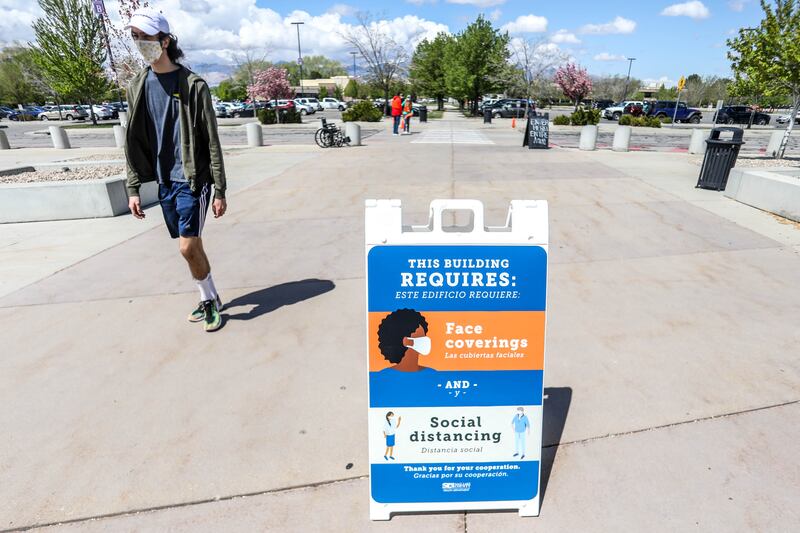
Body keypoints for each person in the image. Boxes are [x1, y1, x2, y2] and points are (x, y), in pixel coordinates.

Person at [124, 8, 227, 332]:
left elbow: (211, 138)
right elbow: (131, 139)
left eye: (146, 37)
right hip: (163, 179)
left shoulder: (194, 85)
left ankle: (208, 301)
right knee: (192, 246)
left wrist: (220, 188)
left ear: (165, 41)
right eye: (135, 37)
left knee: (187, 246)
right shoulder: (137, 86)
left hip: (192, 178)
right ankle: (210, 297)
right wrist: (133, 188)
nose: (140, 43)